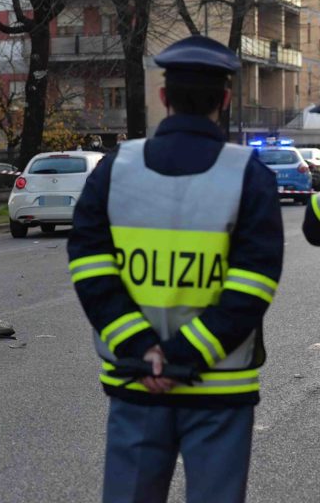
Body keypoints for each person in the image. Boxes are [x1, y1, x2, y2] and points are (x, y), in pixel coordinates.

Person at [67, 35, 283, 503]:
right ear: (225, 100)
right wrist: (186, 354)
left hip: (136, 378)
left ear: (164, 97)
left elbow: (89, 267)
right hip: (219, 383)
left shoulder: (115, 169)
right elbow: (253, 284)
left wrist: (141, 348)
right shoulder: (250, 175)